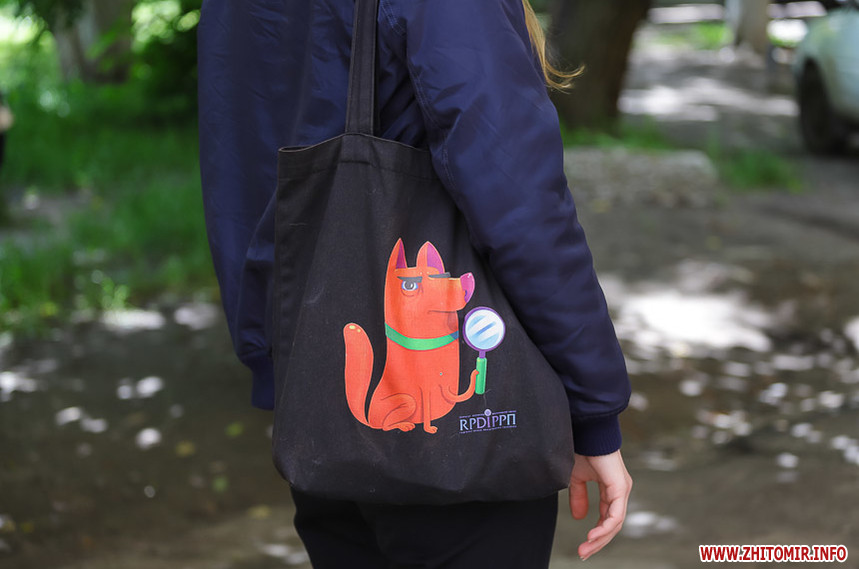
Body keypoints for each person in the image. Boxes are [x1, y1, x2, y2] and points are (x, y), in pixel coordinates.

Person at [197, 0, 633, 565]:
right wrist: (593, 410)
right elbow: (520, 205)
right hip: (460, 454)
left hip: (314, 393)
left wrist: (272, 357)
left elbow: (240, 162)